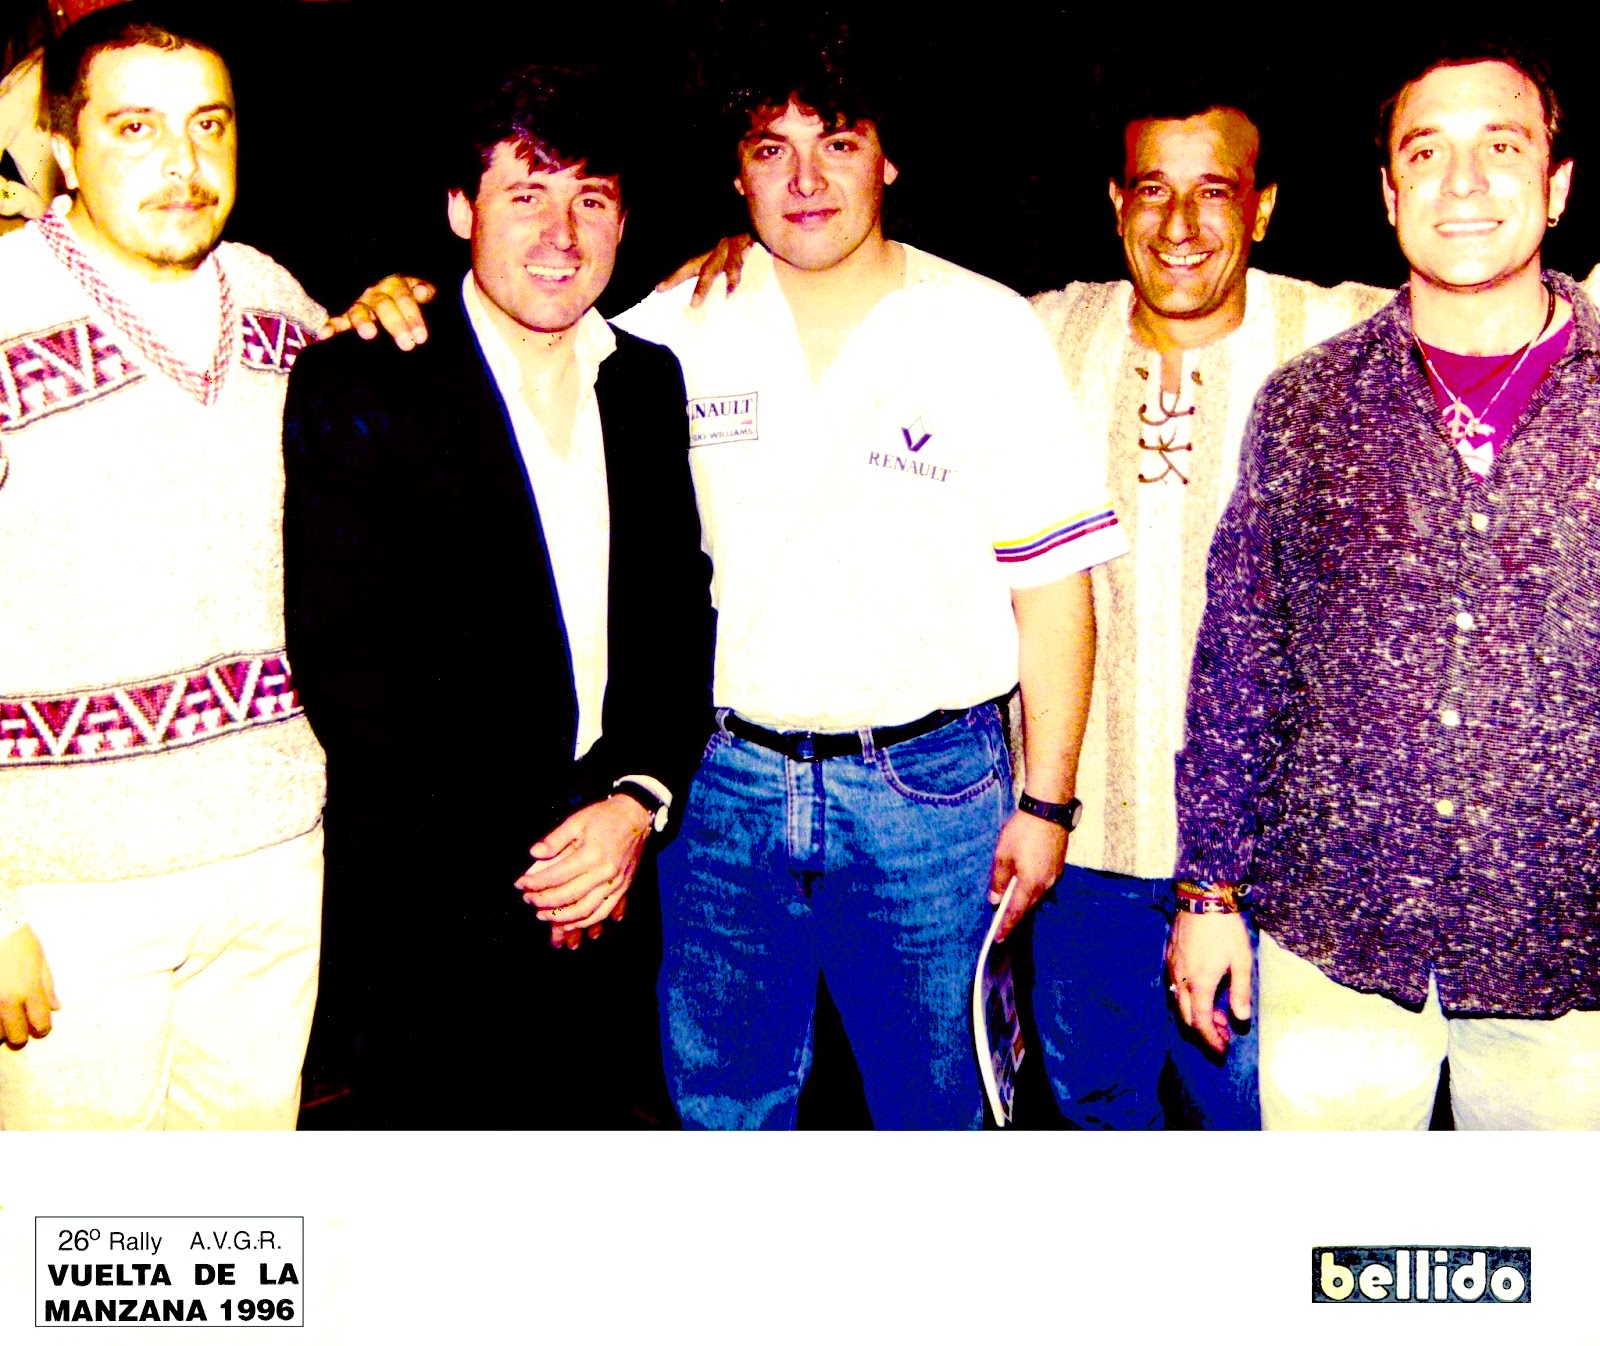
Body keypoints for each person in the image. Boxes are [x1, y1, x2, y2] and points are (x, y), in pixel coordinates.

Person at [611, 39, 1125, 1130]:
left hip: (930, 795)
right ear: (736, 174)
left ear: (887, 160)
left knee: (939, 1111)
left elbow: (1053, 589)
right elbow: (521, 367)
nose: (805, 180)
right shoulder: (675, 320)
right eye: (771, 150)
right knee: (723, 1108)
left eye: (837, 145)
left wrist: (1047, 804)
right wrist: (397, 311)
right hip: (721, 789)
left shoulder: (983, 323)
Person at [1169, 41, 1600, 1129]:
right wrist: (1208, 892)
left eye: (1501, 147)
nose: (1463, 183)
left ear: (1555, 185)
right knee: (1337, 1231)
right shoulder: (1307, 406)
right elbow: (1241, 664)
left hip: (1570, 948)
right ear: (1388, 191)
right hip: (1338, 939)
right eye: (1426, 152)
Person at [281, 65, 714, 1128]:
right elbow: (348, 667)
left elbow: (678, 618)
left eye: (591, 199)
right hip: (436, 906)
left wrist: (633, 805)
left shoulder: (647, 382)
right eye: (526, 195)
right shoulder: (364, 377)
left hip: (616, 878)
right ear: (459, 209)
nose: (562, 234)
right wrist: (549, 853)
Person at [1024, 85, 1390, 1128]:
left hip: (1271, 875)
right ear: (1115, 202)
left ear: (1262, 207)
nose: (1179, 225)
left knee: (1258, 1135)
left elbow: (1516, 305)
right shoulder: (1039, 335)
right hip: (1081, 858)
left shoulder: (1343, 333)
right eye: (1152, 190)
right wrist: (740, 258)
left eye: (1214, 191)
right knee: (1100, 1121)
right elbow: (881, 303)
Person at [0, 3, 327, 1127]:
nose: (183, 163)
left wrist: (396, 305)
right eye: (135, 127)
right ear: (62, 146)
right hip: (67, 888)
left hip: (274, 853)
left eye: (209, 125)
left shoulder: (276, 297)